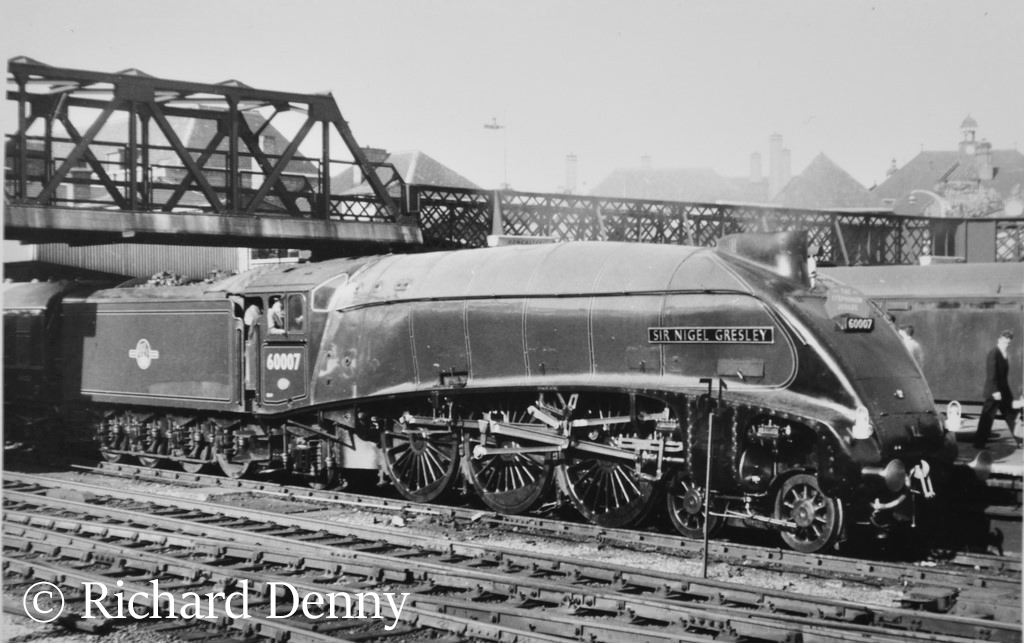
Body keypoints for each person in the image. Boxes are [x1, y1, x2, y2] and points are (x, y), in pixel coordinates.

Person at [973, 330, 1020, 449]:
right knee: (987, 418)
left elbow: (1003, 376)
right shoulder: (994, 353)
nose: (1006, 345)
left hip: (1003, 392)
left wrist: (1006, 393)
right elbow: (991, 373)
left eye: (1008, 343)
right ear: (999, 340)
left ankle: (1020, 440)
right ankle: (979, 444)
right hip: (994, 392)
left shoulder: (1003, 354)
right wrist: (995, 391)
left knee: (1011, 416)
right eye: (1005, 342)